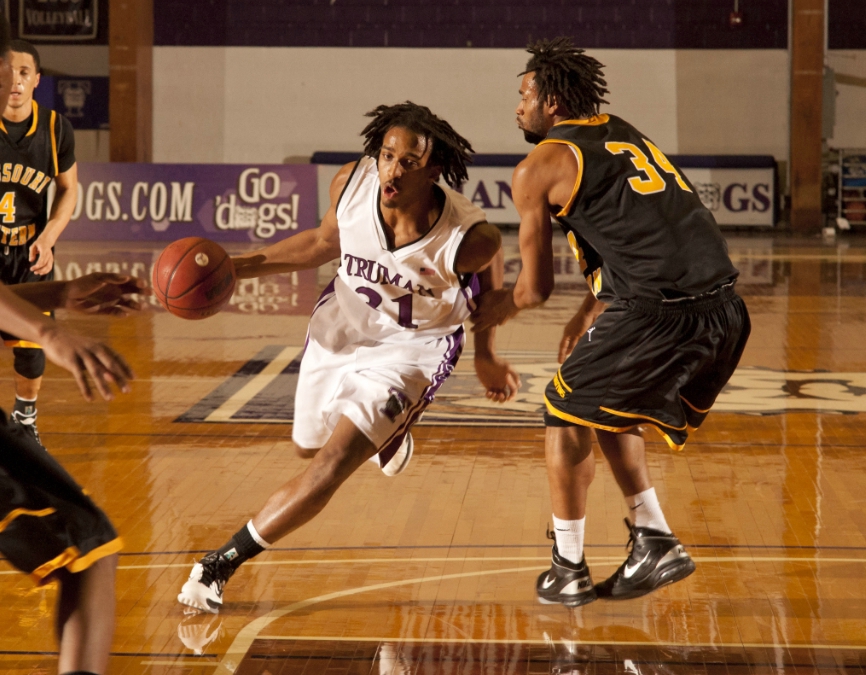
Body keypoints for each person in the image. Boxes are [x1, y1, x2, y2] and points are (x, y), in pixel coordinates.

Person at [178, 101, 520, 613]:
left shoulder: (466, 237)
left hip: (412, 352)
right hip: (342, 324)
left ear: (433, 171)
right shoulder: (351, 184)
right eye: (387, 156)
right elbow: (322, 243)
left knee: (330, 466)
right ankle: (391, 433)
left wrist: (486, 353)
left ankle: (217, 565)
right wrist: (235, 269)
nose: (392, 171)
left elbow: (491, 270)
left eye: (409, 162)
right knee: (307, 449)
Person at [472, 37, 750, 607]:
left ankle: (568, 567)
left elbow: (534, 288)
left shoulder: (535, 168)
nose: (517, 108)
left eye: (524, 96)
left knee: (563, 407)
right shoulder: (622, 132)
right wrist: (590, 311)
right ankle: (654, 539)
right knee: (603, 403)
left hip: (662, 312)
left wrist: (492, 310)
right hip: (724, 308)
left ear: (551, 103)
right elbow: (643, 234)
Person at [0, 39, 78, 447]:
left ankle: (25, 419)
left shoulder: (55, 128)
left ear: (37, 80)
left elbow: (68, 189)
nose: (15, 81)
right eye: (7, 72)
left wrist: (49, 237)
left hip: (30, 250)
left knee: (31, 346)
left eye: (24, 72)